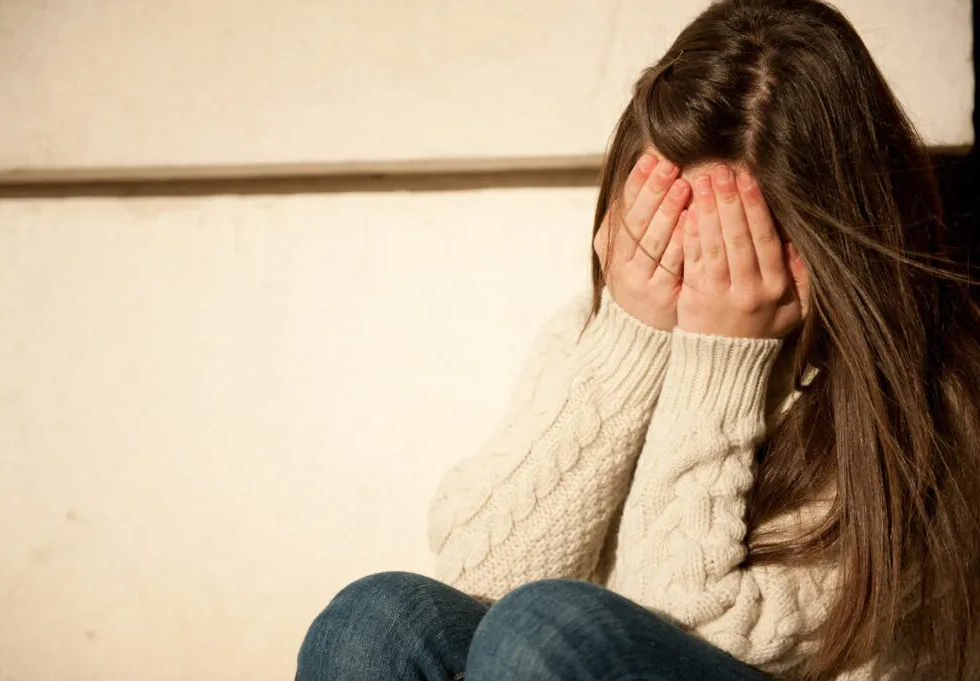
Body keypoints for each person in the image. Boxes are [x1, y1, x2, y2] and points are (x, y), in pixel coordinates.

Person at [296, 0, 980, 678]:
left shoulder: (920, 411)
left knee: (546, 631)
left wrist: (720, 364)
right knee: (376, 616)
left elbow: (670, 624)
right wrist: (625, 341)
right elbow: (477, 574)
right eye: (665, 216)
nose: (686, 265)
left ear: (828, 242)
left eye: (731, 239)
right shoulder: (606, 330)